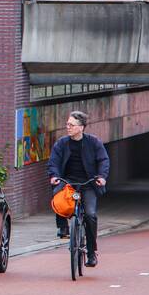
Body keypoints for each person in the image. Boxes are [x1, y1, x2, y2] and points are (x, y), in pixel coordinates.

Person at [47, 111, 109, 267]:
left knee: (90, 215)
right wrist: (55, 175)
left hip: (88, 183)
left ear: (81, 127)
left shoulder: (93, 142)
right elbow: (53, 162)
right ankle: (62, 227)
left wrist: (101, 176)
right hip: (67, 181)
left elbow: (103, 160)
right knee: (58, 197)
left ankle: (91, 252)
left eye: (71, 125)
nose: (68, 127)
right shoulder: (61, 143)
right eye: (67, 124)